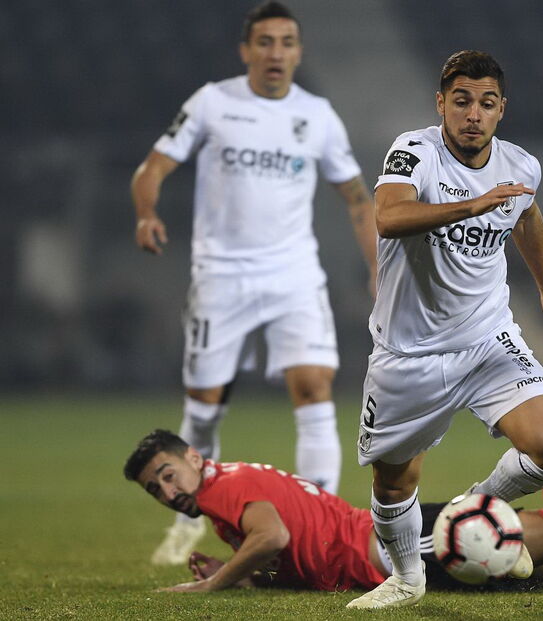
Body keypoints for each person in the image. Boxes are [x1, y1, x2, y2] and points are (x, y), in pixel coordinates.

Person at [124, 310, 543, 596]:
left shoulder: (217, 488)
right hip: (378, 545)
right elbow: (288, 543)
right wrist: (251, 570)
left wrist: (216, 581)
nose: (167, 490)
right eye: (156, 488)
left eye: (165, 474)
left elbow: (270, 536)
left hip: (388, 549)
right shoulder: (230, 480)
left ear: (189, 455)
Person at [129, 1, 377, 566]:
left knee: (315, 389)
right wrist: (147, 212)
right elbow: (153, 168)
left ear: (298, 52)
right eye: (264, 42)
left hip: (294, 274)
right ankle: (185, 525)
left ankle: (321, 521)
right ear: (246, 51)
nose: (275, 53)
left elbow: (359, 199)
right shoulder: (214, 102)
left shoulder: (317, 115)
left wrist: (377, 267)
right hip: (221, 276)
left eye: (286, 42)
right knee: (206, 407)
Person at [349, 49, 543, 609]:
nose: (473, 114)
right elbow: (390, 217)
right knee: (393, 485)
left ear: (501, 110)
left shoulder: (521, 166)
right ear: (441, 104)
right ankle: (406, 578)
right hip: (409, 353)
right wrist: (472, 205)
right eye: (461, 101)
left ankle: (472, 511)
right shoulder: (414, 152)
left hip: (486, 338)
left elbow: (524, 214)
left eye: (486, 103)